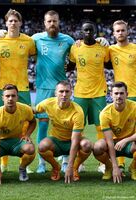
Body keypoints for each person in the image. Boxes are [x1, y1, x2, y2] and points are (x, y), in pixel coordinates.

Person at [0, 9, 36, 172]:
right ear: (6, 23)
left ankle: (24, 162)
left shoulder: (29, 41)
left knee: (25, 123)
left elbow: (36, 55)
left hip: (23, 87)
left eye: (15, 21)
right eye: (10, 21)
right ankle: (2, 164)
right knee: (1, 123)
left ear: (20, 23)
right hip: (2, 87)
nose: (13, 23)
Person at [32, 10, 75, 173]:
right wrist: (1, 33)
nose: (52, 24)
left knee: (66, 125)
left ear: (59, 22)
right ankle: (41, 162)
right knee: (42, 126)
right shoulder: (35, 39)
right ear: (44, 23)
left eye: (55, 21)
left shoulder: (68, 40)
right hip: (43, 89)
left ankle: (65, 160)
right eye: (49, 21)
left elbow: (78, 57)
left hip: (61, 89)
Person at [68, 21, 110, 173]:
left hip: (99, 92)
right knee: (78, 127)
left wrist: (107, 43)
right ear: (81, 31)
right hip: (80, 93)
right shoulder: (76, 47)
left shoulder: (103, 47)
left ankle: (103, 163)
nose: (87, 32)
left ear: (95, 31)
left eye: (90, 30)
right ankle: (80, 162)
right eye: (85, 30)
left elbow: (111, 64)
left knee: (102, 126)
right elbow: (70, 65)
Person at [0, 84, 36, 185]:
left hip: (17, 142)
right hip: (1, 143)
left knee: (30, 149)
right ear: (2, 98)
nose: (10, 99)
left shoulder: (25, 109)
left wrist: (27, 134)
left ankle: (22, 168)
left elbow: (33, 121)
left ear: (17, 97)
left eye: (13, 96)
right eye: (7, 96)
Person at [36, 80, 92, 182]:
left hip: (72, 141)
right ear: (56, 93)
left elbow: (75, 141)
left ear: (71, 93)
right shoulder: (48, 103)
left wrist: (70, 167)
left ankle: (75, 168)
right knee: (42, 146)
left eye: (67, 91)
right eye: (61, 91)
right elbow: (33, 111)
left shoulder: (78, 111)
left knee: (87, 145)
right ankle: (56, 167)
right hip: (56, 141)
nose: (64, 94)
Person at [93, 81, 136, 183]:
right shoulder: (105, 113)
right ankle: (108, 168)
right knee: (97, 147)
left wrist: (126, 140)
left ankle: (133, 167)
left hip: (130, 144)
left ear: (127, 94)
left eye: (121, 93)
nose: (119, 96)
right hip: (113, 144)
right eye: (116, 93)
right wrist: (115, 166)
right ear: (111, 95)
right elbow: (109, 141)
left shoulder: (134, 107)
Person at [109, 20, 136, 173]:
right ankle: (119, 163)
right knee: (118, 129)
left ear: (128, 31)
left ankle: (134, 166)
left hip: (135, 94)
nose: (120, 33)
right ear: (114, 33)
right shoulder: (111, 50)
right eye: (117, 31)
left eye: (123, 30)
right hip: (120, 95)